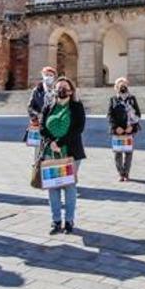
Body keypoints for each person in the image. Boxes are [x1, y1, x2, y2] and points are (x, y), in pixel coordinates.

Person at [39, 77, 86, 234]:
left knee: (69, 186)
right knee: (53, 187)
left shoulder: (76, 107)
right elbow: (41, 126)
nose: (61, 90)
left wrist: (60, 142)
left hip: (71, 152)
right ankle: (56, 221)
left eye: (65, 88)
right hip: (50, 152)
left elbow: (78, 128)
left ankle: (69, 220)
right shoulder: (49, 106)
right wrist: (51, 141)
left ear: (71, 91)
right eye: (59, 87)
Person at [108, 77, 141, 182]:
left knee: (128, 152)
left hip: (129, 130)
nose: (122, 87)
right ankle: (120, 173)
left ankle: (126, 173)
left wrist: (132, 126)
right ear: (116, 87)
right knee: (118, 153)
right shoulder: (113, 99)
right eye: (120, 85)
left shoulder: (132, 99)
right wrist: (115, 127)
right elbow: (110, 115)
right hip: (117, 131)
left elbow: (138, 114)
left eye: (124, 85)